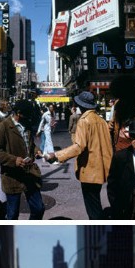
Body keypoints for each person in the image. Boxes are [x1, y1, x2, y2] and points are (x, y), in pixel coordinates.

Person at [46, 91, 113, 220]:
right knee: (95, 201)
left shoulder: (84, 121)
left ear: (81, 106)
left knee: (93, 207)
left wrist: (56, 155)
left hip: (89, 170)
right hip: (101, 169)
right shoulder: (102, 121)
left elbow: (79, 146)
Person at [0, 99, 45, 220]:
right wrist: (14, 160)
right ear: (19, 113)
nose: (30, 117)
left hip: (29, 174)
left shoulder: (27, 124)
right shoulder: (3, 127)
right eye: (27, 114)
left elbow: (30, 144)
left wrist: (36, 151)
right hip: (12, 176)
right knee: (12, 213)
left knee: (38, 208)